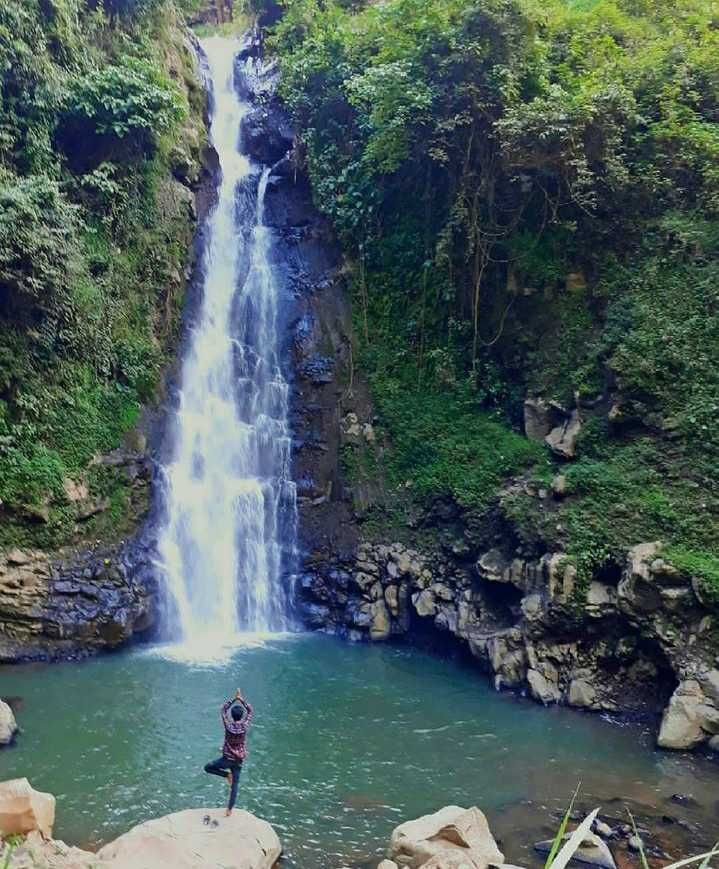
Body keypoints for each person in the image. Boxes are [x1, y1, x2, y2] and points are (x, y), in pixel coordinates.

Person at [204, 688, 253, 816]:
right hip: (238, 760)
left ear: (232, 715)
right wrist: (241, 699)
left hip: (226, 760)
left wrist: (233, 699)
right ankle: (229, 809)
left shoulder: (228, 725)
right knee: (235, 785)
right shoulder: (245, 726)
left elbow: (223, 709)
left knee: (208, 767)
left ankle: (226, 775)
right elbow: (250, 710)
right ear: (242, 716)